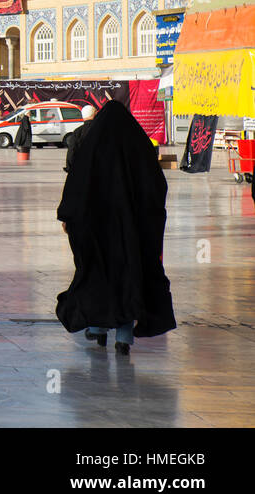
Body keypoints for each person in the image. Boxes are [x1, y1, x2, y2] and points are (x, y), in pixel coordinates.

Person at [57, 100, 176, 357]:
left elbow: (77, 185)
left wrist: (68, 217)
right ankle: (124, 338)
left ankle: (99, 328)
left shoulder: (92, 148)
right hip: (132, 231)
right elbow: (156, 187)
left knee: (98, 275)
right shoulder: (139, 147)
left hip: (97, 229)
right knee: (129, 276)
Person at [63, 104, 97, 173]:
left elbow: (72, 151)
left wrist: (69, 167)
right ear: (95, 114)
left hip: (82, 169)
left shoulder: (77, 132)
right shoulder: (102, 130)